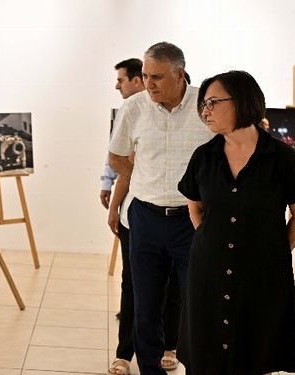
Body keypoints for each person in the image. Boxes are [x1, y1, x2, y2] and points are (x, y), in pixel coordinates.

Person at [177, 70, 295, 374]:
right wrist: (212, 242)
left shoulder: (282, 158)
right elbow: (194, 207)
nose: (205, 111)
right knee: (204, 354)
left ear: (241, 101)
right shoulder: (204, 156)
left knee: (256, 353)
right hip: (207, 272)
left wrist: (272, 251)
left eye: (212, 102)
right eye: (203, 104)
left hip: (262, 275)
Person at [109, 42, 213, 374]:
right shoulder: (134, 108)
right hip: (145, 217)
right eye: (144, 75)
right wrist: (139, 176)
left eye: (156, 77)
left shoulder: (206, 105)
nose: (148, 83)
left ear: (179, 74)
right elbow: (116, 156)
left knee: (195, 302)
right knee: (145, 304)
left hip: (191, 220)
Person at [105, 58, 182, 374]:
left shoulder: (186, 114)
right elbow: (119, 162)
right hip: (138, 214)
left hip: (177, 215)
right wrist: (114, 203)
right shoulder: (132, 112)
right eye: (147, 77)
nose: (118, 86)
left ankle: (169, 345)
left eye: (122, 80)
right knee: (134, 284)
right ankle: (126, 351)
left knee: (174, 284)